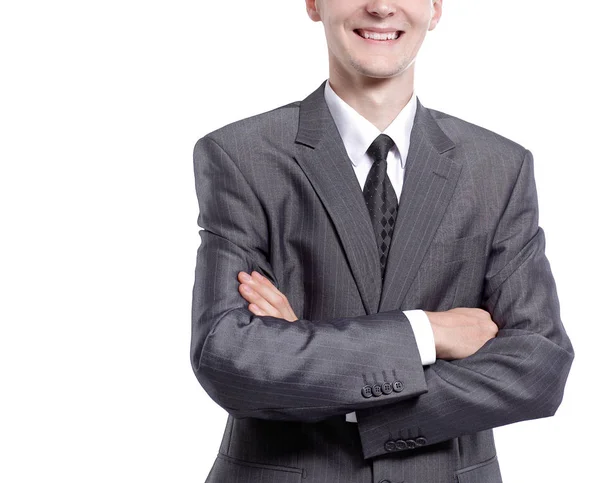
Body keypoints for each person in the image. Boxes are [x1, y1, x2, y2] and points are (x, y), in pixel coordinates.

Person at [190, 0, 575, 481]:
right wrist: (425, 333)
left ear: (435, 8)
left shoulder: (499, 168)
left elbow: (539, 368)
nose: (379, 6)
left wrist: (318, 364)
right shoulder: (240, 157)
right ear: (314, 4)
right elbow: (229, 357)